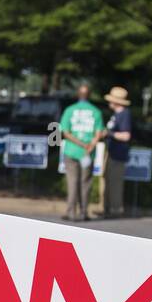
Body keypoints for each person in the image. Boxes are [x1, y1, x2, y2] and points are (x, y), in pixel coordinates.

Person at [59, 83, 104, 221]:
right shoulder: (96, 112)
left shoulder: (69, 110)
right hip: (87, 153)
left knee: (72, 181)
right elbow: (98, 133)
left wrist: (80, 143)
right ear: (89, 95)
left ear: (78, 94)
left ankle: (71, 211)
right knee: (86, 182)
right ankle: (84, 212)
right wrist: (90, 145)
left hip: (71, 151)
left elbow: (65, 132)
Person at [98, 85, 132, 218]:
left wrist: (109, 134)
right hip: (111, 152)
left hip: (118, 154)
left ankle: (115, 209)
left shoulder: (124, 114)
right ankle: (105, 207)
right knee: (106, 179)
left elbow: (126, 136)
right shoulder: (116, 115)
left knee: (115, 182)